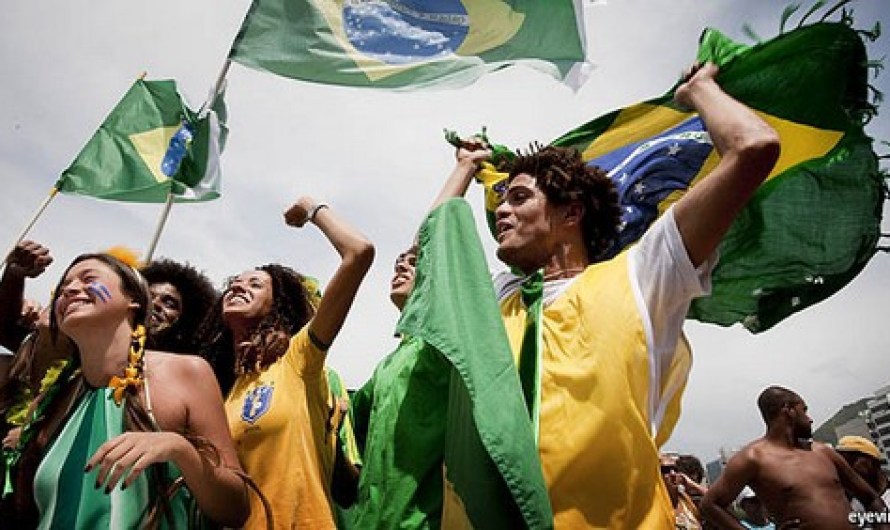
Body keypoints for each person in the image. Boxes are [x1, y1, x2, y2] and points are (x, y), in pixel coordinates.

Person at [442, 62, 779, 527]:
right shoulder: (497, 299)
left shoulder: (644, 276)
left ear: (570, 212)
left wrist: (698, 90)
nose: (501, 212)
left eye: (518, 198)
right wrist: (463, 168)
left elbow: (753, 147)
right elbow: (434, 251)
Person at [3, 252, 249, 528]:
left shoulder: (186, 372)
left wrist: (180, 450)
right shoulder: (53, 401)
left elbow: (236, 508)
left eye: (88, 279)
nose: (70, 289)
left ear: (133, 300)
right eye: (63, 287)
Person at [196, 196, 374, 529]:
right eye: (234, 283)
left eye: (254, 284)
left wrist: (311, 207)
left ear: (279, 306)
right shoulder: (219, 391)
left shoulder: (298, 359)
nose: (238, 286)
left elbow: (359, 253)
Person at [700, 386, 888, 529]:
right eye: (804, 410)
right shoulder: (753, 458)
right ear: (788, 410)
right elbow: (709, 505)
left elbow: (872, 500)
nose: (810, 418)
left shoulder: (823, 452)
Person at [140, 258, 218, 354]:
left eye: (169, 304)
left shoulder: (186, 366)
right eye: (149, 296)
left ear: (185, 322)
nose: (155, 303)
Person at [836, 435, 890, 520]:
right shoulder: (851, 509)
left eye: (849, 461)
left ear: (871, 460)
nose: (846, 469)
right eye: (842, 465)